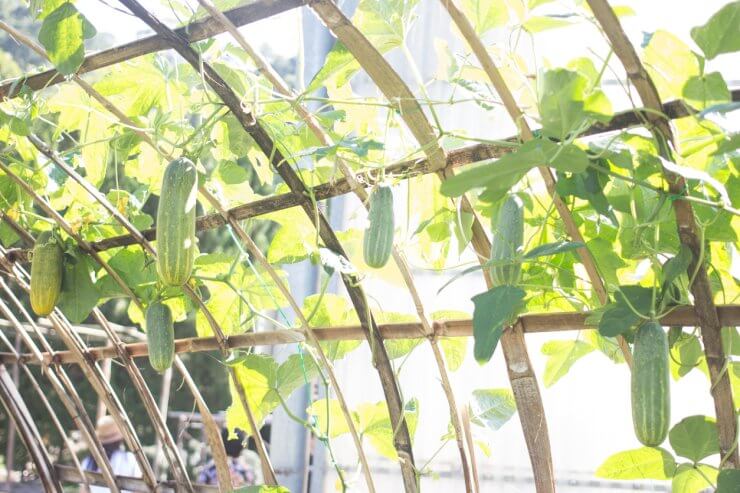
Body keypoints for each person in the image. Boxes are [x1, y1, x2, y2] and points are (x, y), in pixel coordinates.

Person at [81, 415, 141, 493]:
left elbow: (83, 491)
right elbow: (139, 489)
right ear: (120, 439)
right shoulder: (129, 459)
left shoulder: (87, 462)